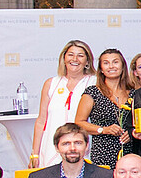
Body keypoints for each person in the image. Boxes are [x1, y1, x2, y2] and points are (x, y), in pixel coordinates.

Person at [31, 40, 97, 168]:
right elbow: (41, 121)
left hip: (82, 147)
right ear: (64, 58)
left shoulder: (95, 83)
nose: (75, 59)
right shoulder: (51, 84)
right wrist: (35, 154)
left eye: (80, 55)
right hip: (51, 148)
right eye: (71, 54)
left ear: (87, 62)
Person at [75, 49, 135, 167]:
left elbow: (139, 122)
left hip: (130, 153)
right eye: (106, 63)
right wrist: (103, 129)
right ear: (101, 69)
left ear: (123, 66)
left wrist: (132, 133)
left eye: (115, 62)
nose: (111, 66)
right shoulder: (92, 92)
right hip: (103, 154)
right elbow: (79, 123)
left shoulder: (134, 93)